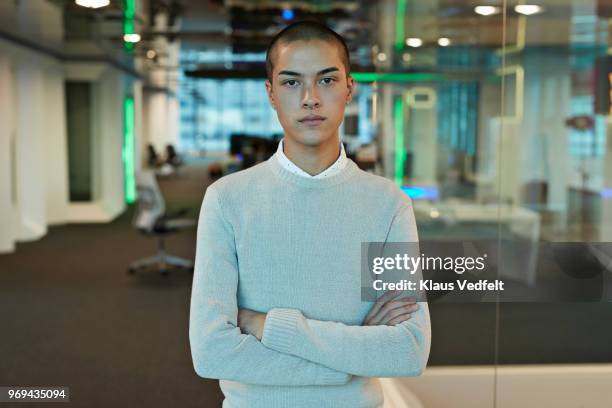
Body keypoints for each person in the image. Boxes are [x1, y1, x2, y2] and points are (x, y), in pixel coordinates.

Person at [189, 21, 431, 408]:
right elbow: (211, 352)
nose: (310, 98)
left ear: (349, 88)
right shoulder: (227, 200)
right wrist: (348, 363)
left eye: (327, 80)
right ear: (270, 93)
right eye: (291, 82)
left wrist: (265, 325)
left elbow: (408, 350)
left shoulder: (388, 204)